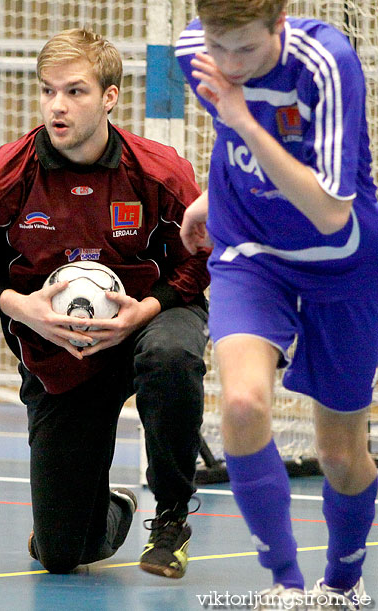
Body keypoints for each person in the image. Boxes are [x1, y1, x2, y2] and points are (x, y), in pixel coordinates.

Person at [0, 28, 210, 577]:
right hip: (60, 347)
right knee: (61, 554)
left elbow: (198, 262)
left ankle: (173, 516)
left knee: (173, 357)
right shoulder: (2, 177)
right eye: (48, 91)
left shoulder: (159, 171)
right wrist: (22, 307)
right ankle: (110, 507)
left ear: (110, 96)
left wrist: (144, 310)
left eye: (75, 91)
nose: (57, 106)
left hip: (152, 315)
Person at [176, 1, 378, 607]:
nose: (230, 64)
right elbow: (229, 140)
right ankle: (285, 584)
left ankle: (340, 582)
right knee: (240, 401)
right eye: (220, 45)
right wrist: (210, 199)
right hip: (252, 253)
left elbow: (329, 208)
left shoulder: (326, 63)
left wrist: (242, 118)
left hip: (341, 260)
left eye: (246, 49)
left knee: (341, 456)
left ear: (280, 23)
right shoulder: (195, 52)